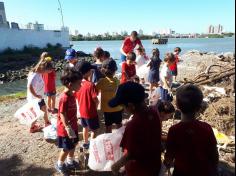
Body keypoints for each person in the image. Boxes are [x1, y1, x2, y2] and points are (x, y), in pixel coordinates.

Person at [164, 84, 219, 176]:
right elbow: (214, 155)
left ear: (177, 105)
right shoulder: (206, 128)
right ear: (199, 107)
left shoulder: (174, 130)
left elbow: (169, 157)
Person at [110, 82, 161, 176]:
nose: (123, 109)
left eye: (122, 106)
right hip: (153, 165)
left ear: (130, 106)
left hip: (138, 170)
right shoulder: (154, 112)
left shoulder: (133, 125)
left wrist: (115, 167)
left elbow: (130, 154)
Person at [55, 69, 82, 175]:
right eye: (79, 83)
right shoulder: (64, 98)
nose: (80, 85)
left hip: (73, 125)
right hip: (66, 129)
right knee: (66, 148)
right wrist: (67, 127)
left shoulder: (72, 93)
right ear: (70, 84)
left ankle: (70, 161)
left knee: (74, 144)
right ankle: (60, 164)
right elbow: (62, 113)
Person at [76, 61, 100, 149]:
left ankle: (86, 142)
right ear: (88, 72)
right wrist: (97, 105)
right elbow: (95, 99)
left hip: (82, 111)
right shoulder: (90, 85)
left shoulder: (77, 83)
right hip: (91, 112)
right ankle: (93, 145)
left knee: (85, 127)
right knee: (95, 130)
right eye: (90, 70)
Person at [96, 58, 123, 133]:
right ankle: (121, 139)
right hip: (117, 108)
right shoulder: (117, 81)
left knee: (108, 126)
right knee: (119, 125)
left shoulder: (101, 82)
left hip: (107, 109)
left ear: (103, 71)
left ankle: (109, 138)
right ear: (115, 71)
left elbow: (96, 91)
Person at [27, 59, 53, 133]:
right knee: (36, 113)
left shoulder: (39, 72)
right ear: (43, 69)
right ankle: (32, 127)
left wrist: (42, 58)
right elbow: (29, 86)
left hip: (39, 97)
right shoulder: (34, 74)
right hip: (34, 98)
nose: (47, 73)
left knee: (44, 108)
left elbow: (40, 64)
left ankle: (47, 122)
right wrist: (35, 95)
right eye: (47, 72)